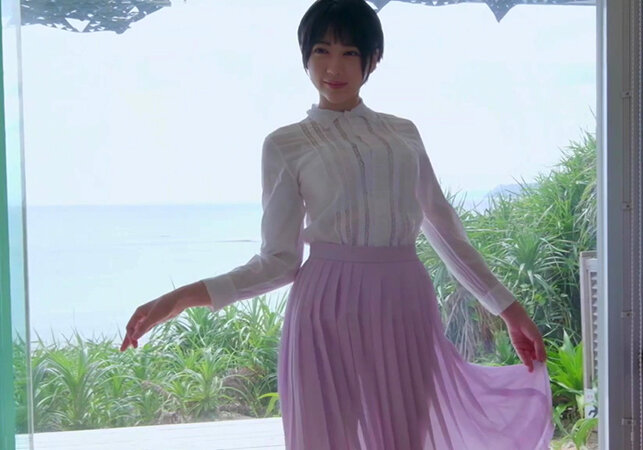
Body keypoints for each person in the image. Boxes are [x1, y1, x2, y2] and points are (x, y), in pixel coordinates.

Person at [121, 0, 554, 448]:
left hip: (403, 303)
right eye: (321, 51)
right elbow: (278, 261)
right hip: (324, 309)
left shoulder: (403, 133)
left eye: (350, 52)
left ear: (373, 59)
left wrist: (507, 308)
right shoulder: (285, 144)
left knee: (404, 438)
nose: (333, 67)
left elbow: (444, 230)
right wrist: (180, 298)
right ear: (305, 57)